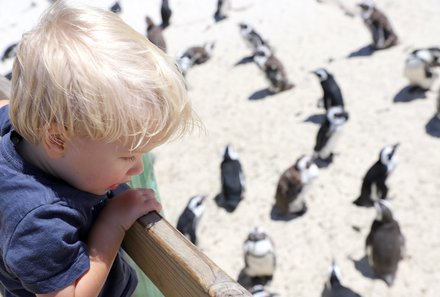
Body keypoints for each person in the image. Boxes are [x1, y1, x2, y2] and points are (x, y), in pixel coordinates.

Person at [0, 0, 196, 296]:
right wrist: (113, 224)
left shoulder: (17, 129)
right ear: (57, 139)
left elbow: (6, 106)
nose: (139, 168)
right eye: (128, 155)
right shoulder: (39, 220)